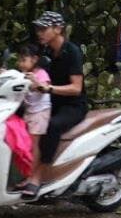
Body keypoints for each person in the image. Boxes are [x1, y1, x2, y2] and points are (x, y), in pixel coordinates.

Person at [25, 11, 86, 194]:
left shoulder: (72, 52)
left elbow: (76, 88)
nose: (40, 33)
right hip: (49, 102)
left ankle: (39, 175)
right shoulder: (45, 51)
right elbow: (35, 73)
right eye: (39, 29)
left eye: (44, 29)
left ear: (58, 29)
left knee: (51, 126)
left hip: (73, 105)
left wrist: (49, 89)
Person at [14, 45, 53, 195]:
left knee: (34, 144)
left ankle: (32, 178)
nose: (20, 63)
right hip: (29, 112)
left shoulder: (41, 73)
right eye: (19, 60)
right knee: (26, 144)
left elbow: (44, 87)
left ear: (35, 59)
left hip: (40, 113)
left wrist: (35, 81)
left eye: (24, 60)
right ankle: (28, 176)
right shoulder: (22, 74)